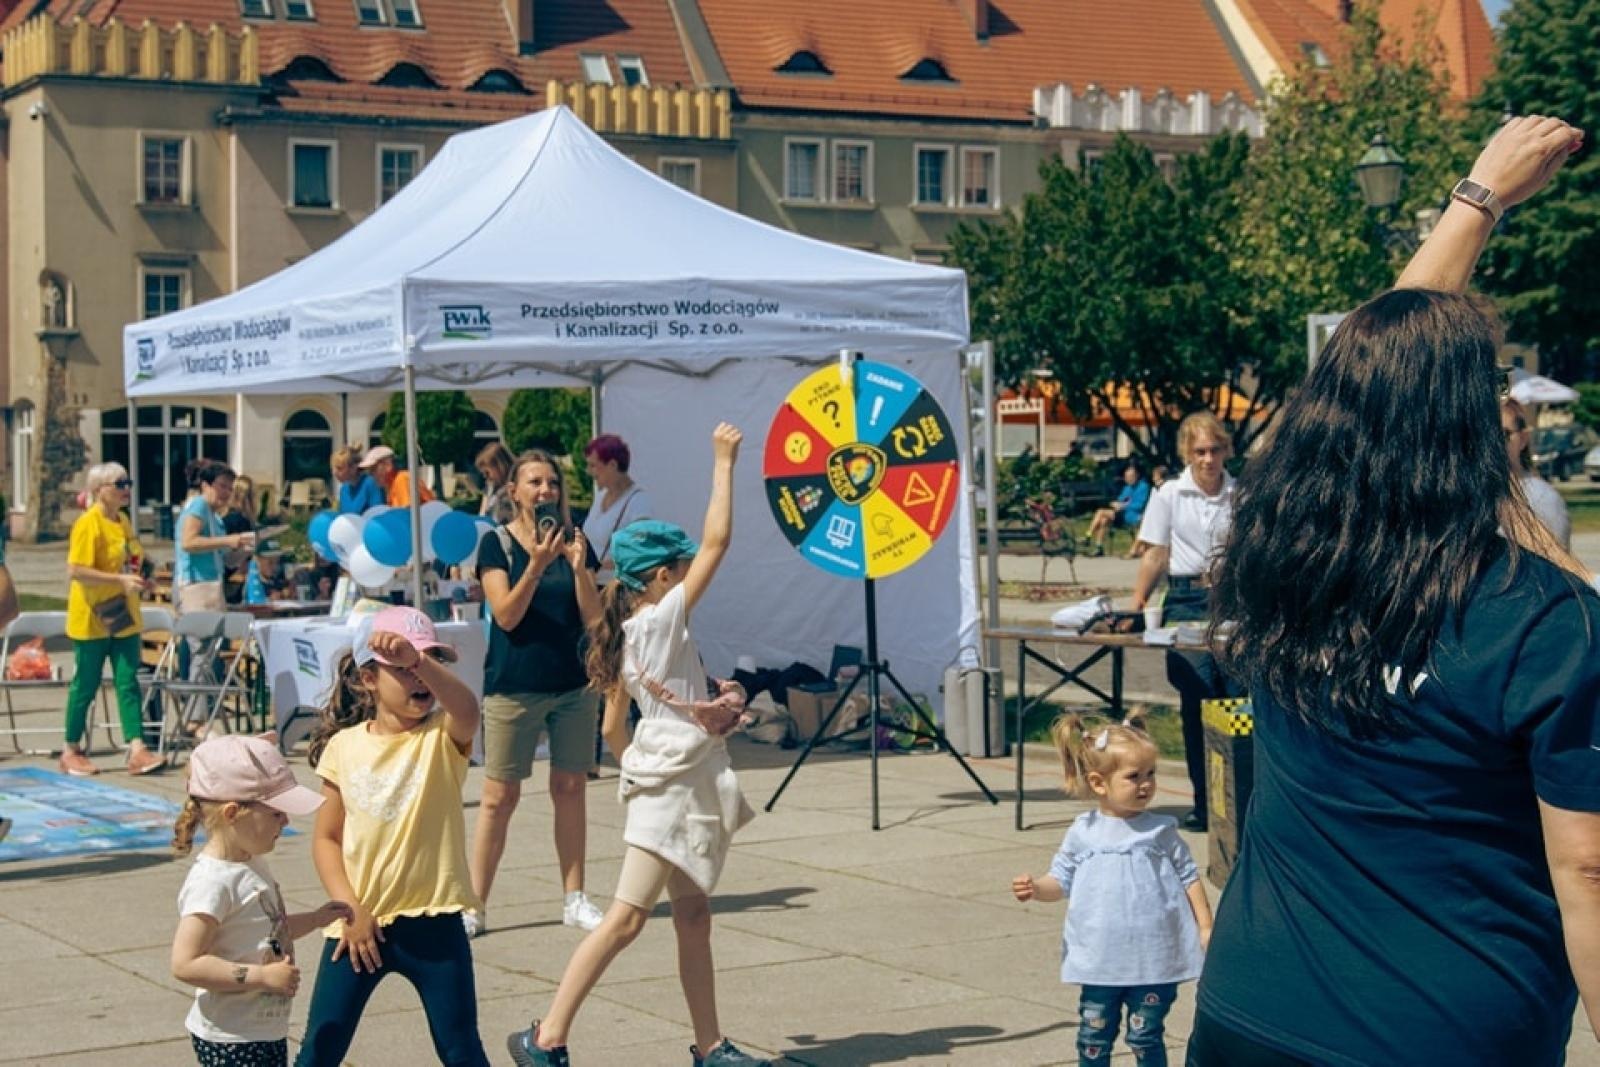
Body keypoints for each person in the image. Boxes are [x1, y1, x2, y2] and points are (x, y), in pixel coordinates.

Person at [1191, 116, 1599, 1066]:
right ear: (1477, 425)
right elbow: (1588, 865)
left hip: (1249, 1014)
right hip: (1436, 1029)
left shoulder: (1287, 563)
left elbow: (1372, 371)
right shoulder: (1541, 619)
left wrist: (1478, 197)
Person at [508, 424, 768, 1067]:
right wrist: (723, 461)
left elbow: (613, 732)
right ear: (660, 576)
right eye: (679, 569)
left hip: (672, 779)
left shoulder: (631, 628)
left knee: (692, 915)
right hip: (672, 788)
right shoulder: (661, 617)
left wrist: (642, 766)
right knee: (625, 920)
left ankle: (710, 1047)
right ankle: (547, 1040)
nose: (689, 574)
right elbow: (720, 540)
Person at [296, 606, 488, 1066]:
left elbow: (467, 708)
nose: (418, 678)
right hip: (358, 927)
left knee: (462, 1050)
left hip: (435, 924)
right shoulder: (344, 747)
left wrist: (417, 661)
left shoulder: (444, 737)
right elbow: (326, 839)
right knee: (319, 1049)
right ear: (368, 679)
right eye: (400, 669)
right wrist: (350, 908)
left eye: (426, 663)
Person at [1012, 715, 1210, 1067]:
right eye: (1134, 776)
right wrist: (1036, 888)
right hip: (1102, 961)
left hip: (1154, 959)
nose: (1146, 784)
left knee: (1144, 1036)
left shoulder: (1160, 831)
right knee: (1093, 1037)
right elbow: (1060, 880)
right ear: (1099, 783)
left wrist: (1205, 925)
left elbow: (1189, 876)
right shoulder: (1083, 832)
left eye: (1151, 773)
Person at [468, 450, 604, 938]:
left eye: (552, 483)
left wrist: (578, 568)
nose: (545, 491)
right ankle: (475, 906)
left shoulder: (577, 541)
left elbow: (593, 619)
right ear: (514, 492)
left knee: (570, 789)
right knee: (499, 797)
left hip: (572, 684)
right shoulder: (496, 544)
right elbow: (505, 615)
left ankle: (575, 897)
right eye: (534, 482)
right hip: (515, 686)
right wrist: (536, 566)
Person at [170, 735, 352, 1067]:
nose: (285, 821)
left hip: (261, 1030)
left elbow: (268, 930)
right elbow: (185, 962)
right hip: (231, 1038)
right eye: (276, 813)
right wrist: (260, 977)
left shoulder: (250, 863)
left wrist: (313, 919)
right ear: (232, 813)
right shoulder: (213, 881)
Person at [1129, 413, 1235, 831]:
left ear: (1227, 450)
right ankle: (1204, 803)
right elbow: (1155, 553)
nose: (1208, 460)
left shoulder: (1238, 495)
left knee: (1235, 701)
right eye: (1200, 452)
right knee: (1198, 697)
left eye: (1215, 450)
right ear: (1187, 454)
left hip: (1230, 598)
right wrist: (1137, 603)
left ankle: (1236, 801)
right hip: (1187, 598)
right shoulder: (1170, 494)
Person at [60, 462, 163, 777]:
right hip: (93, 617)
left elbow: (133, 559)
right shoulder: (88, 524)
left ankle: (137, 747)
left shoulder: (123, 521)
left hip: (124, 616)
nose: (126, 489)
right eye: (119, 484)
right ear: (98, 489)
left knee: (127, 681)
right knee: (86, 684)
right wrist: (119, 580)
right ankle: (71, 748)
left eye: (127, 482)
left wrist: (145, 576)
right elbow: (76, 570)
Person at [177, 461, 254, 615]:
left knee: (218, 637)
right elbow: (188, 542)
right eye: (222, 486)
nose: (226, 493)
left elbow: (225, 559)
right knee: (201, 636)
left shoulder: (216, 517)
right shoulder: (199, 505)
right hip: (196, 584)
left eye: (230, 489)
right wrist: (228, 540)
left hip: (214, 583)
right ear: (206, 486)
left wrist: (247, 548)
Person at [581, 434, 654, 580]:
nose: (588, 471)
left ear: (613, 465)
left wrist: (599, 566)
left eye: (593, 465)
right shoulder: (600, 496)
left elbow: (640, 551)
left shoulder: (638, 502)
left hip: (615, 590)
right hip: (590, 586)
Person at [1503, 397, 1572, 549]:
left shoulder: (1541, 498)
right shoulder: (1461, 495)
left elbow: (1557, 565)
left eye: (1504, 434)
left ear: (1523, 439)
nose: (1492, 443)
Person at [1084, 460, 1151, 558]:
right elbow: (1121, 499)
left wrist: (1124, 506)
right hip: (1121, 514)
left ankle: (1088, 535)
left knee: (1101, 512)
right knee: (1104, 520)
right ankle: (1098, 547)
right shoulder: (1127, 487)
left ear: (1137, 475)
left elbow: (1140, 505)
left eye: (1130, 477)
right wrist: (1116, 504)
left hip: (1133, 515)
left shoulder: (1143, 487)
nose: (1128, 479)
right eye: (1126, 477)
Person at [358, 446, 434, 509]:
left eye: (373, 468)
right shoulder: (392, 485)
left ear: (388, 465)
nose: (370, 474)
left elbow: (406, 513)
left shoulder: (402, 479)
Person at [332, 444, 383, 516]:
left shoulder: (370, 484)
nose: (334, 472)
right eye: (333, 468)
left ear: (353, 468)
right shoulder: (343, 488)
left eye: (339, 468)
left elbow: (378, 514)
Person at [476, 441, 515, 525]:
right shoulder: (490, 488)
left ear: (500, 467)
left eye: (487, 472)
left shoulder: (516, 486)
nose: (485, 477)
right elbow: (482, 514)